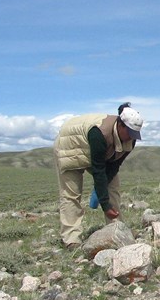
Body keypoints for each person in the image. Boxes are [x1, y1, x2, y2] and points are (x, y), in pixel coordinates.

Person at [53, 102, 144, 250]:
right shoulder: (99, 134)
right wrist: (104, 204)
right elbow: (98, 170)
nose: (131, 137)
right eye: (129, 132)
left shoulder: (130, 139)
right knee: (71, 194)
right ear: (120, 125)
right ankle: (71, 239)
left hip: (93, 149)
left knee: (113, 187)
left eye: (134, 134)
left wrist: (104, 196)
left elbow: (114, 166)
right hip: (70, 144)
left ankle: (116, 229)